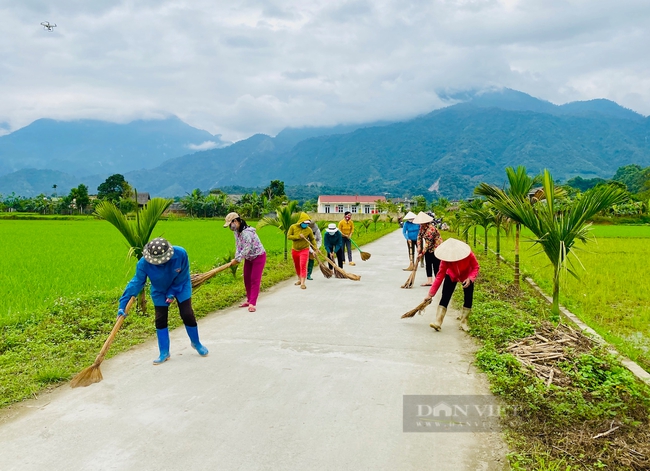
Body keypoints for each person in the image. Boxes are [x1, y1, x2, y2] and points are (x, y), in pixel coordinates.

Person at [117, 237, 208, 365]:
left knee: (187, 313)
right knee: (160, 318)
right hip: (159, 289)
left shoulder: (181, 253)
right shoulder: (143, 264)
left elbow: (182, 276)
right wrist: (123, 304)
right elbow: (136, 283)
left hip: (181, 286)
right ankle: (164, 352)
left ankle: (196, 343)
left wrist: (172, 292)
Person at [424, 238, 479, 332]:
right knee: (445, 296)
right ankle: (438, 321)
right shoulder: (445, 260)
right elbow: (439, 277)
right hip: (452, 275)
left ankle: (464, 322)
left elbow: (476, 267)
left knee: (468, 298)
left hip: (467, 276)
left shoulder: (469, 255)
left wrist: (470, 278)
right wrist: (430, 294)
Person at [224, 212, 266, 313]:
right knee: (246, 278)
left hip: (258, 256)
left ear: (236, 221)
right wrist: (236, 258)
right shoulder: (236, 232)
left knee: (254, 279)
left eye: (231, 223)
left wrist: (238, 259)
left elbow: (247, 248)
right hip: (248, 258)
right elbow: (238, 246)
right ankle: (249, 300)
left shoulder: (247, 232)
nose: (230, 226)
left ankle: (252, 303)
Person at [287, 212, 316, 289]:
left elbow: (312, 240)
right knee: (297, 265)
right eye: (305, 223)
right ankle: (299, 279)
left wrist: (315, 249)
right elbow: (289, 236)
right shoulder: (293, 227)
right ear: (301, 221)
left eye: (307, 223)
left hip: (304, 249)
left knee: (303, 265)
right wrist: (298, 236)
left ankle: (303, 283)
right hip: (295, 250)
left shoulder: (309, 230)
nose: (306, 225)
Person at [414, 211, 444, 286]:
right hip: (429, 248)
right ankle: (429, 281)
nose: (420, 224)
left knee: (436, 264)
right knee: (428, 263)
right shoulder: (422, 227)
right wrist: (419, 246)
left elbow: (427, 243)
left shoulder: (431, 229)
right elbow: (419, 236)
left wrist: (421, 253)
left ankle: (437, 281)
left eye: (422, 222)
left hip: (436, 247)